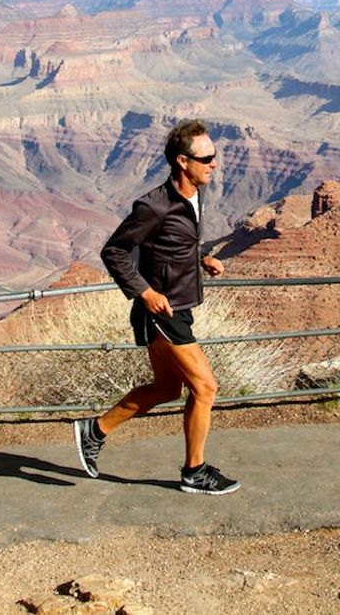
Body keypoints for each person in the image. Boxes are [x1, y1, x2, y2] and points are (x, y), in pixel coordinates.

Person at [72, 119, 240, 494]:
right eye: (207, 157)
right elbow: (113, 251)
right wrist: (143, 292)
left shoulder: (195, 194)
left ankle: (94, 430)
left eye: (215, 156)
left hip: (179, 306)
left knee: (167, 388)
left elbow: (172, 244)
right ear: (183, 161)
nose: (215, 163)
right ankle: (194, 472)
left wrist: (201, 259)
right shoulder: (153, 206)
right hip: (162, 312)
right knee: (206, 388)